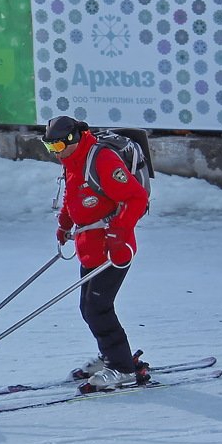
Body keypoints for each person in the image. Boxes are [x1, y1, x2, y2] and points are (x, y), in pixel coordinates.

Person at [42, 116, 150, 390]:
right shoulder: (72, 161)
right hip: (89, 247)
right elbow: (73, 197)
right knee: (88, 308)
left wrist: (119, 232)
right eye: (49, 148)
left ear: (72, 140)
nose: (55, 153)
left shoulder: (102, 159)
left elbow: (136, 198)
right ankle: (111, 356)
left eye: (57, 147)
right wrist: (65, 225)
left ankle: (123, 368)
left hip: (115, 249)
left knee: (98, 308)